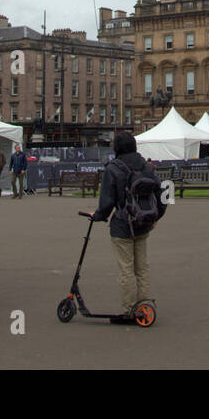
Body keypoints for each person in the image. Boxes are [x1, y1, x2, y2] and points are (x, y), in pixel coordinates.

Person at [91, 131, 167, 316]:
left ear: (116, 148)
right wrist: (156, 217)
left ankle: (129, 308)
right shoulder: (146, 166)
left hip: (123, 225)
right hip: (143, 222)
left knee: (126, 269)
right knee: (142, 267)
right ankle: (146, 303)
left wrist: (99, 216)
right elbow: (162, 195)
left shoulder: (113, 168)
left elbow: (107, 202)